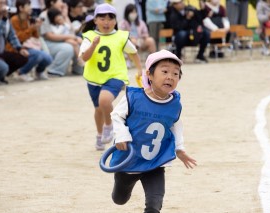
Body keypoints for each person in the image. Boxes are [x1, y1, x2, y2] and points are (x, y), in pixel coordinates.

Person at [109, 49, 197, 212]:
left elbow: (175, 124)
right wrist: (121, 135)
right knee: (119, 199)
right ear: (149, 74)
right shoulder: (133, 97)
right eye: (164, 71)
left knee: (154, 205)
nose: (170, 76)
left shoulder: (175, 104)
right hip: (129, 160)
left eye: (176, 74)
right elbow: (117, 116)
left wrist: (179, 148)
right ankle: (121, 183)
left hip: (155, 162)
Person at [79, 3, 143, 150]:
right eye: (102, 18)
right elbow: (85, 58)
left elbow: (133, 53)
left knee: (104, 100)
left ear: (115, 21)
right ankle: (99, 135)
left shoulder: (121, 36)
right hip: (94, 78)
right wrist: (93, 45)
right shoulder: (89, 37)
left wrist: (140, 69)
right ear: (95, 20)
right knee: (99, 109)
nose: (106, 22)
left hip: (116, 75)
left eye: (110, 18)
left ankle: (109, 126)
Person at [7, 0, 52, 82]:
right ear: (21, 8)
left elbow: (36, 36)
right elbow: (17, 38)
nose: (30, 8)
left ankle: (39, 72)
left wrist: (37, 27)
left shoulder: (29, 19)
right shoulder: (14, 20)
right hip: (16, 47)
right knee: (37, 55)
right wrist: (31, 29)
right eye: (28, 6)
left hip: (28, 46)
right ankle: (21, 72)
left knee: (48, 58)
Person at [0, 0, 29, 79]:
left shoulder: (6, 20)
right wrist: (3, 19)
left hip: (2, 52)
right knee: (2, 66)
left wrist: (19, 48)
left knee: (23, 57)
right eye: (0, 3)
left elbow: (12, 35)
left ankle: (1, 76)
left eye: (4, 3)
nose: (3, 6)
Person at [39, 0, 83, 76]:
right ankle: (54, 70)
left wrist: (65, 16)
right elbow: (49, 36)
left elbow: (71, 31)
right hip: (48, 43)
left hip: (61, 40)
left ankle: (79, 69)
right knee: (68, 48)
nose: (62, 4)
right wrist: (69, 37)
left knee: (79, 44)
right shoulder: (44, 15)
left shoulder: (60, 13)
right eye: (60, 1)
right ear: (52, 2)